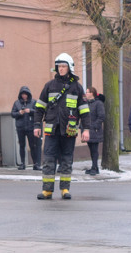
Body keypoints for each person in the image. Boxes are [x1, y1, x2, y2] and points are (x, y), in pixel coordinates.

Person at [34, 53, 90, 200]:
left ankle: (65, 189)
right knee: (48, 160)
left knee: (66, 160)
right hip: (52, 130)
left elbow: (84, 110)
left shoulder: (77, 87)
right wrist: (36, 125)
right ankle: (47, 191)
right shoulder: (49, 86)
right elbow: (39, 107)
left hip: (69, 131)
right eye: (59, 66)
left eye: (64, 66)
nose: (61, 69)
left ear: (70, 67)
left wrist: (86, 129)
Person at [12, 86, 41, 170]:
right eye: (22, 94)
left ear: (28, 94)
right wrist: (19, 113)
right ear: (20, 95)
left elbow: (38, 112)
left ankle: (35, 164)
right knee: (22, 145)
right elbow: (12, 114)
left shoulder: (33, 102)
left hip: (31, 127)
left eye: (25, 94)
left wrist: (30, 111)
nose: (24, 96)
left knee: (33, 146)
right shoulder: (16, 103)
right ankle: (22, 163)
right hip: (20, 127)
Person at [84, 87, 105, 175]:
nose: (86, 94)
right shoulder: (87, 104)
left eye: (87, 92)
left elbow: (101, 116)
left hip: (95, 130)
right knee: (91, 149)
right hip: (89, 130)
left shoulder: (98, 104)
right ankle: (94, 167)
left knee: (94, 149)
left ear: (92, 93)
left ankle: (95, 167)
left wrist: (94, 126)